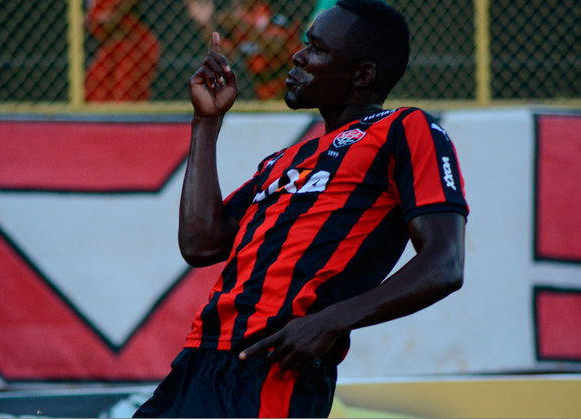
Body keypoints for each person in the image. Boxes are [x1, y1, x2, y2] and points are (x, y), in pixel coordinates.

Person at [134, 0, 468, 417]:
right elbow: (201, 244)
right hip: (200, 359)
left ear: (362, 74)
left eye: (317, 48)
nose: (297, 55)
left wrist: (330, 322)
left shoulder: (405, 129)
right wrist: (206, 123)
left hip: (277, 367)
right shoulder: (282, 161)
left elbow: (445, 263)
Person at [185, 0, 302, 99]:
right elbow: (224, 54)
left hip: (297, 84)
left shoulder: (274, 9)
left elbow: (277, 46)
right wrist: (206, 24)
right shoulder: (237, 19)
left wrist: (243, 25)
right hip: (265, 91)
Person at [85, 0, 160, 101]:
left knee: (124, 94)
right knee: (94, 85)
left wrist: (112, 19)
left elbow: (109, 23)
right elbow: (93, 21)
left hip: (135, 44)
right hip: (112, 45)